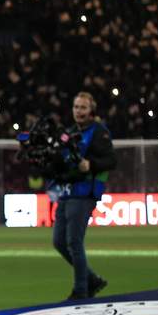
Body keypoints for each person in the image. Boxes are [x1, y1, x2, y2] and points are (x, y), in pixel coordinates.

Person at [50, 92, 115, 300]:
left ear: (91, 110)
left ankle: (81, 290)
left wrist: (91, 164)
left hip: (85, 192)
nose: (79, 111)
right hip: (67, 191)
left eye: (83, 107)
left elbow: (111, 160)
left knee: (74, 242)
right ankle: (91, 279)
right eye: (76, 107)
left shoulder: (99, 132)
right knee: (59, 241)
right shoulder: (69, 132)